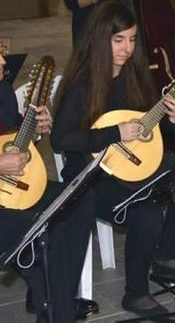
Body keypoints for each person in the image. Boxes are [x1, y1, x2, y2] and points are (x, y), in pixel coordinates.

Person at [51, 2, 175, 317]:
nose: (126, 48)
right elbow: (61, 139)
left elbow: (156, 136)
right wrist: (114, 133)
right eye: (118, 40)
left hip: (136, 162)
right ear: (100, 39)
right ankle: (136, 294)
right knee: (146, 214)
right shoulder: (82, 83)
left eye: (132, 40)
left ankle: (164, 257)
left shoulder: (136, 76)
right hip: (94, 175)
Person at [0, 45, 97, 322]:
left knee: (79, 199)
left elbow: (12, 140)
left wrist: (35, 132)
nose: (4, 60)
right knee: (46, 231)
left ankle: (58, 298)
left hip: (11, 189)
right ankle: (55, 307)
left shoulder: (3, 90)